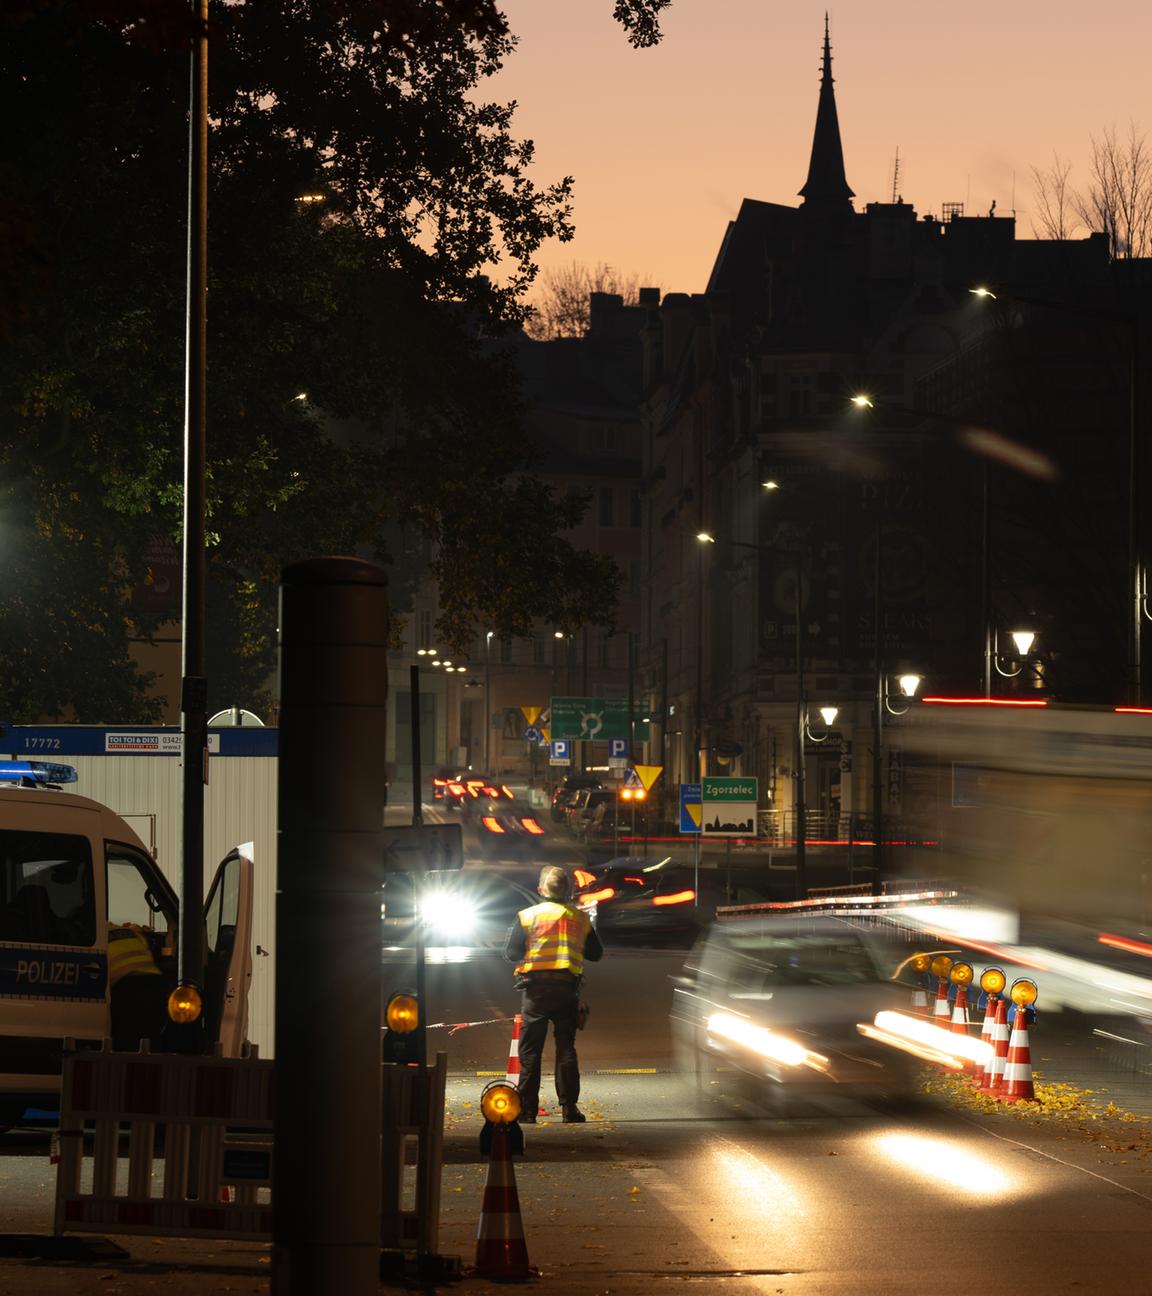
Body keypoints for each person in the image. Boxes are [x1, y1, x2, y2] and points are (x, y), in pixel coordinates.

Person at [504, 865, 603, 1124]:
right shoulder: (579, 919)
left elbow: (512, 953)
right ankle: (569, 1108)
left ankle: (526, 1110)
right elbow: (596, 953)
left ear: (540, 890)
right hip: (567, 991)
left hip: (535, 992)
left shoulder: (527, 916)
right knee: (566, 1048)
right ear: (569, 890)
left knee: (530, 1052)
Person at [108, 922, 172, 1051]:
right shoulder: (130, 932)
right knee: (154, 1035)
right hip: (156, 983)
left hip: (126, 987)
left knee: (127, 1041)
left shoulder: (98, 935)